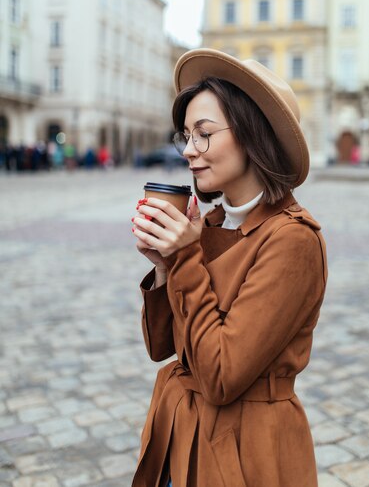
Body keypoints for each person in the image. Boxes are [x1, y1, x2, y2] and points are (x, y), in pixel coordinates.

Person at [131, 49, 328, 487]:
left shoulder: (292, 239)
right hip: (182, 440)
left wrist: (185, 258)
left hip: (245, 451)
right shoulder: (212, 224)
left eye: (203, 134)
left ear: (253, 133)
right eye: (186, 136)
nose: (189, 151)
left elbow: (221, 376)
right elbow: (165, 347)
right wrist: (164, 267)